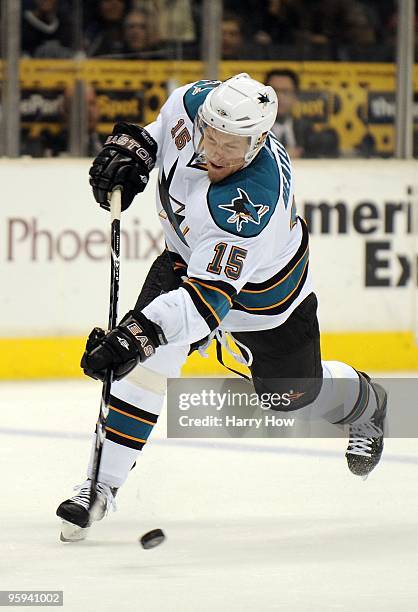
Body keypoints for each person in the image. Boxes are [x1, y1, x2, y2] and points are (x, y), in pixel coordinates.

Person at [56, 73, 387, 541]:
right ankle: (100, 485)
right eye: (211, 137)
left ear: (258, 142)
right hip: (186, 261)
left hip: (264, 301)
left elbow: (203, 305)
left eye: (231, 146)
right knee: (145, 367)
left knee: (290, 397)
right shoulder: (193, 103)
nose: (215, 152)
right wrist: (136, 152)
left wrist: (136, 333)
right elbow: (158, 131)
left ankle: (367, 402)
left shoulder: (248, 204)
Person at [266, 68, 339, 158]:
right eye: (274, 91)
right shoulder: (253, 131)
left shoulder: (310, 132)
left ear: (295, 96)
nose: (279, 97)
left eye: (286, 92)